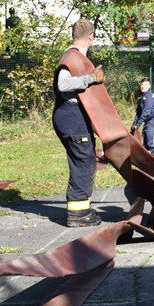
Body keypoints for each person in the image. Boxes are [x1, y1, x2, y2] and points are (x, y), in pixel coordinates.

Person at [52, 19, 105, 227]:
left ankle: (81, 210)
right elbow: (63, 84)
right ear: (90, 38)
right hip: (71, 116)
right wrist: (90, 78)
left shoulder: (74, 56)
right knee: (84, 162)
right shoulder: (71, 57)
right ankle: (78, 214)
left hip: (71, 116)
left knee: (83, 160)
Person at [130, 79, 154, 158]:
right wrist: (134, 124)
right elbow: (138, 112)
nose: (143, 86)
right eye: (142, 84)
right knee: (145, 142)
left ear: (149, 86)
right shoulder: (141, 97)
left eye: (145, 85)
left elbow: (146, 112)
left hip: (153, 120)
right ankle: (150, 159)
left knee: (151, 142)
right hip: (147, 121)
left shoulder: (149, 96)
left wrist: (138, 124)